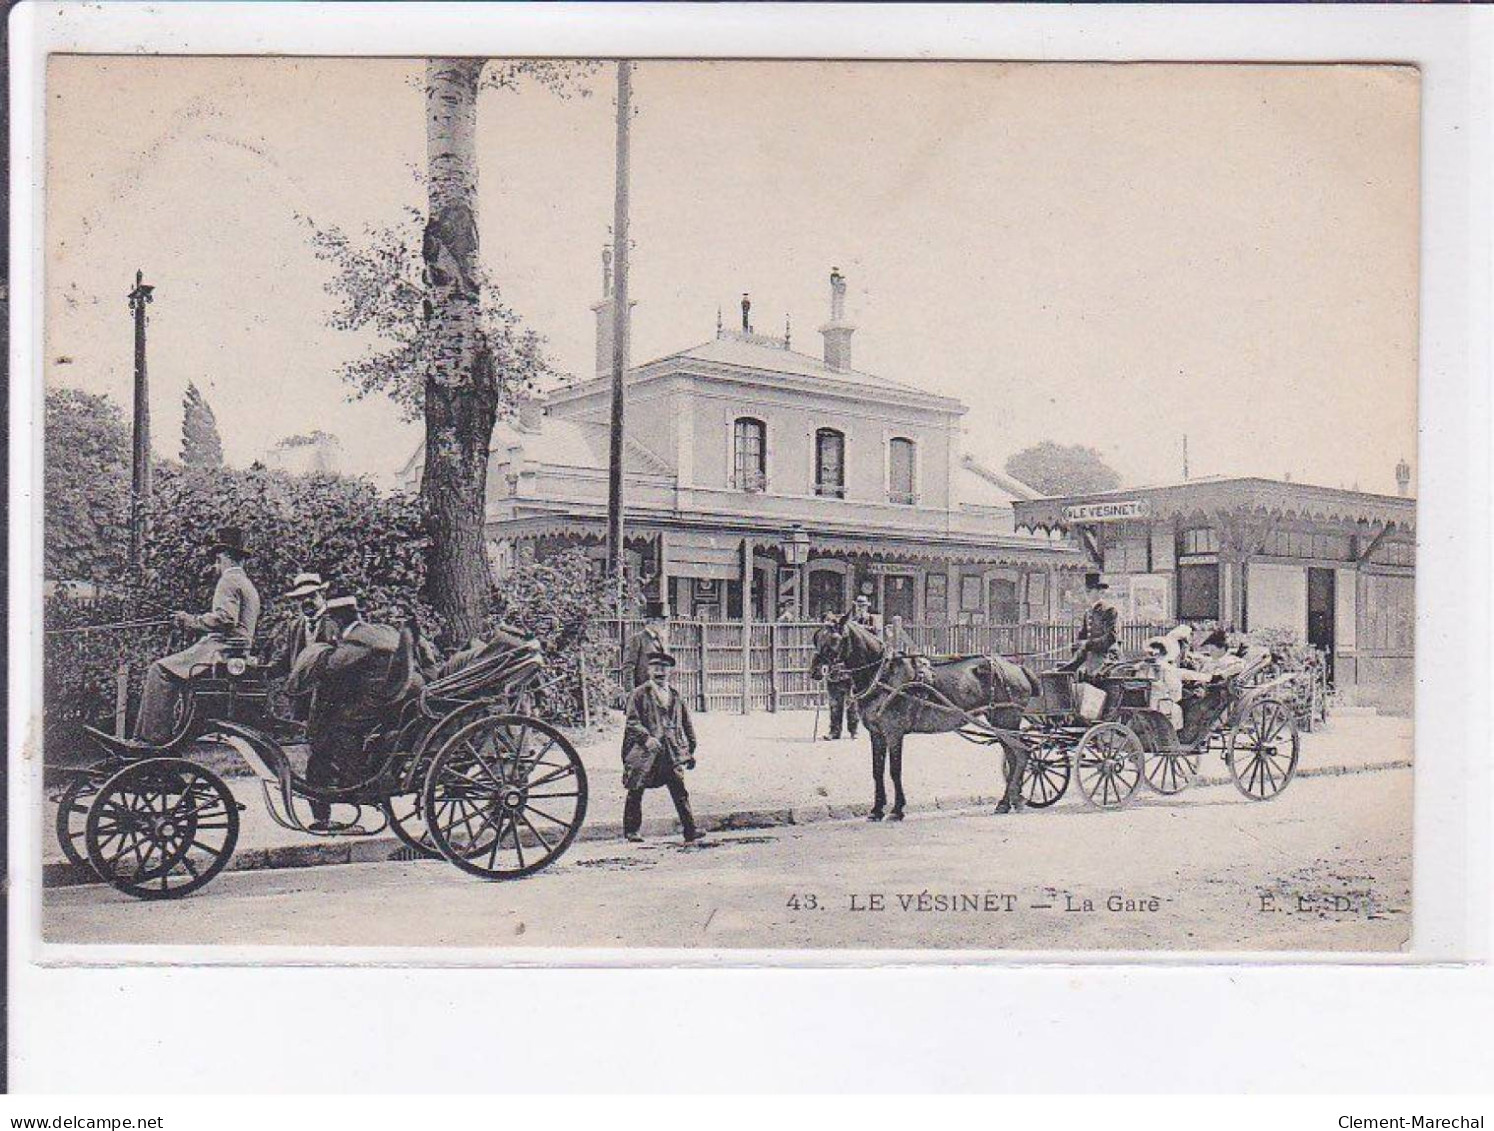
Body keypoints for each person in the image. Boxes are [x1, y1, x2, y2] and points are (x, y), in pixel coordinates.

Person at [286, 595, 419, 831]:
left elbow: (332, 666)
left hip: (377, 701)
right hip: (391, 697)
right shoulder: (375, 631)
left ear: (338, 620)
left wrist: (316, 655)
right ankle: (338, 793)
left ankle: (356, 782)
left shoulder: (357, 639)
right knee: (331, 727)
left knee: (337, 728)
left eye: (332, 621)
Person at [131, 526, 262, 745]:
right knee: (169, 670)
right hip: (234, 649)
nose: (215, 566)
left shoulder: (229, 580)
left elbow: (224, 619)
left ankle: (151, 739)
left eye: (217, 560)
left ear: (224, 557)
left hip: (221, 649)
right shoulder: (247, 584)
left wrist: (189, 620)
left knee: (159, 670)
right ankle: (158, 734)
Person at [621, 650, 703, 844]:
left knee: (679, 788)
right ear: (649, 670)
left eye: (664, 669)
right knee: (636, 787)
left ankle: (690, 830)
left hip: (670, 751)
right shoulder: (639, 694)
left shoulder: (674, 695)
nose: (660, 672)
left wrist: (690, 748)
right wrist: (646, 738)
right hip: (646, 751)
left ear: (670, 672)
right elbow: (632, 722)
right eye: (655, 668)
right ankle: (632, 831)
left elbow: (686, 723)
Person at [277, 571, 332, 721]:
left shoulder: (335, 622)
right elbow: (285, 659)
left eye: (312, 595)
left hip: (328, 695)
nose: (306, 601)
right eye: (301, 598)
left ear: (322, 595)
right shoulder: (294, 626)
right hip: (300, 695)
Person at [1060, 573, 1119, 676]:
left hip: (1105, 657)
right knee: (1065, 675)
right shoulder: (1088, 612)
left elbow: (1111, 637)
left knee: (1092, 677)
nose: (1087, 594)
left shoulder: (1109, 610)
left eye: (1090, 591)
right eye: (1087, 591)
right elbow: (1083, 635)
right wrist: (1077, 644)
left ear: (1100, 593)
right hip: (1087, 657)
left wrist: (1088, 644)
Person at [821, 611, 859, 741]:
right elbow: (821, 655)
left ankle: (853, 731)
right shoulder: (824, 639)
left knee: (852, 703)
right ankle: (834, 731)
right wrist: (821, 666)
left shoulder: (847, 639)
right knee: (834, 705)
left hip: (848, 674)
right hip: (833, 674)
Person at [621, 601, 669, 692]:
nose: (664, 625)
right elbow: (628, 667)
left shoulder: (660, 640)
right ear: (652, 622)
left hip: (658, 690)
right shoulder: (637, 639)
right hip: (642, 689)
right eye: (661, 621)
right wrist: (631, 692)